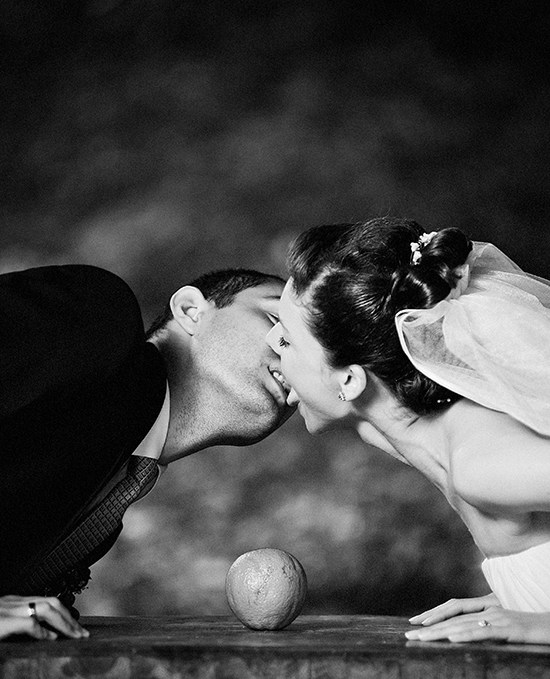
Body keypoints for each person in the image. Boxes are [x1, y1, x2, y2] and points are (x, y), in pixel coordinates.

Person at [267, 217, 550, 645]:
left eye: (287, 340)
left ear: (349, 380)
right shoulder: (454, 449)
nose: (270, 342)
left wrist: (541, 625)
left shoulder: (481, 464)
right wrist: (528, 597)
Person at [0, 263, 292, 640]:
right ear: (190, 310)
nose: (292, 351)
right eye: (275, 318)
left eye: (306, 351)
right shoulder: (96, 315)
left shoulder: (110, 502)